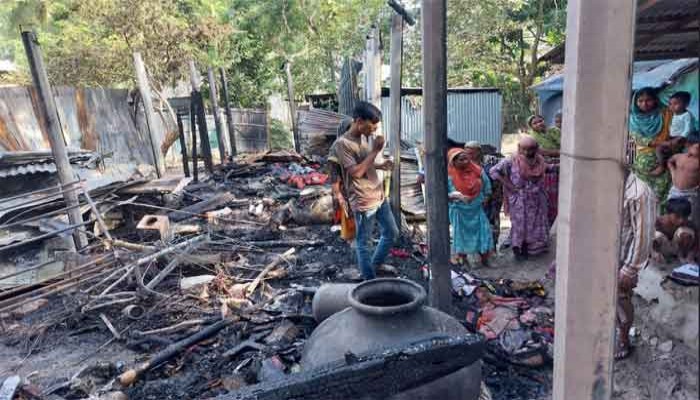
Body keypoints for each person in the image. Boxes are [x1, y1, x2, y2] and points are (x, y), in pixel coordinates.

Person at [335, 101, 398, 280]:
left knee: (391, 232)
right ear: (359, 121)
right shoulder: (343, 144)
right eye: (372, 126)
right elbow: (356, 172)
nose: (374, 131)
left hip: (378, 196)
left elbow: (363, 163)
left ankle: (375, 264)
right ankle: (369, 282)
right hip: (363, 201)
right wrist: (375, 151)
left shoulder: (362, 138)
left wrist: (380, 164)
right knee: (364, 243)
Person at [490, 135, 554, 260]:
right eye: (524, 149)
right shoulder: (511, 160)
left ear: (536, 148)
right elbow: (494, 172)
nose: (527, 152)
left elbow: (548, 169)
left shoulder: (539, 160)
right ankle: (517, 249)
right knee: (519, 225)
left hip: (536, 199)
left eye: (531, 149)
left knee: (534, 225)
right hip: (519, 199)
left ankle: (531, 250)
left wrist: (563, 164)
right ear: (519, 148)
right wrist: (509, 184)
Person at [616, 172, 657, 360]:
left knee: (621, 299)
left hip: (623, 261)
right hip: (603, 256)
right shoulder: (605, 184)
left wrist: (631, 269)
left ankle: (623, 340)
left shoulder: (639, 192)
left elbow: (644, 235)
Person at [447, 147, 494, 267]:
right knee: (461, 235)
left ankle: (485, 259)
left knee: (484, 232)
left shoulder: (477, 170)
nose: (465, 162)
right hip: (459, 210)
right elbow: (445, 193)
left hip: (476, 207)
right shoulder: (449, 175)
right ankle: (463, 260)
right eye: (461, 160)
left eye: (466, 159)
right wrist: (456, 197)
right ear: (453, 161)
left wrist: (486, 197)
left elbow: (486, 184)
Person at [629, 87, 674, 201]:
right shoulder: (633, 119)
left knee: (666, 190)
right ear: (635, 102)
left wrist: (668, 145)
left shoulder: (665, 113)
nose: (644, 104)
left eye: (648, 100)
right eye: (640, 101)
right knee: (648, 193)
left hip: (668, 153)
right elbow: (638, 138)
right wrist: (657, 143)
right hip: (645, 156)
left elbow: (674, 131)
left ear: (655, 100)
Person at [464, 141, 503, 248]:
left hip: (493, 198)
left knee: (492, 222)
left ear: (479, 151)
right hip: (475, 199)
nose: (469, 156)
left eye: (472, 153)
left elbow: (504, 167)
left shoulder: (490, 160)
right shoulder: (464, 163)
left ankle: (492, 247)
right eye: (467, 153)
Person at [651, 91, 696, 176]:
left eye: (675, 104)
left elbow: (688, 129)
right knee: (659, 149)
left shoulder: (687, 116)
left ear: (686, 105)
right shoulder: (674, 114)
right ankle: (663, 164)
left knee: (687, 152)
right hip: (672, 137)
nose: (672, 106)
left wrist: (680, 138)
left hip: (682, 139)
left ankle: (665, 166)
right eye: (670, 104)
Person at [328, 118, 355, 242]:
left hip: (354, 187)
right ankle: (349, 239)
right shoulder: (337, 146)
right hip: (344, 186)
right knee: (346, 212)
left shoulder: (354, 144)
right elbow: (333, 171)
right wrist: (338, 194)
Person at [653, 198, 697, 264]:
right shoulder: (658, 222)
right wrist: (654, 253)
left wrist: (690, 256)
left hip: (677, 250)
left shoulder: (688, 223)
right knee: (656, 235)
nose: (681, 220)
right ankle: (658, 256)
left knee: (686, 232)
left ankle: (681, 256)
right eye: (677, 216)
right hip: (662, 249)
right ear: (668, 213)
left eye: (685, 217)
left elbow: (696, 242)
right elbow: (647, 240)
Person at [668, 141, 700, 214]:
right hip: (675, 189)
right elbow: (670, 161)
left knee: (687, 213)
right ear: (689, 148)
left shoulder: (698, 162)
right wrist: (672, 170)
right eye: (695, 147)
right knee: (671, 209)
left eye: (699, 148)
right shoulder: (679, 156)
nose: (697, 147)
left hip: (690, 192)